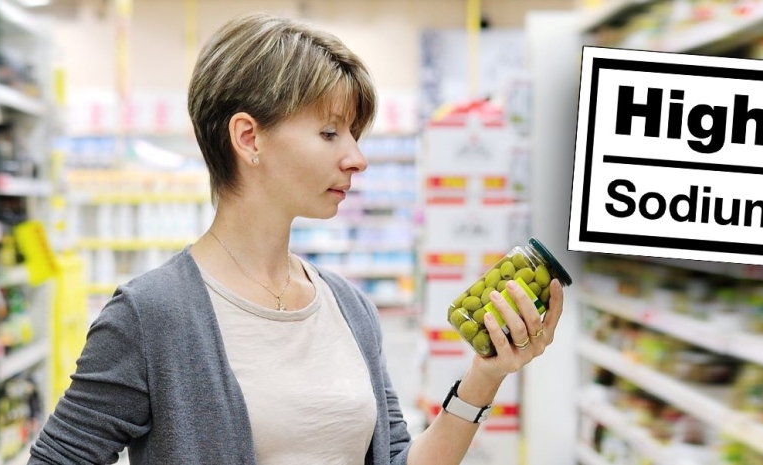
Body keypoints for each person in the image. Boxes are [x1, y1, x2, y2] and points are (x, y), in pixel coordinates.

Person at [28, 12, 565, 465]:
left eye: (355, 134)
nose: (356, 157)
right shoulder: (151, 316)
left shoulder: (350, 308)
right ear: (248, 137)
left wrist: (484, 376)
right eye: (330, 133)